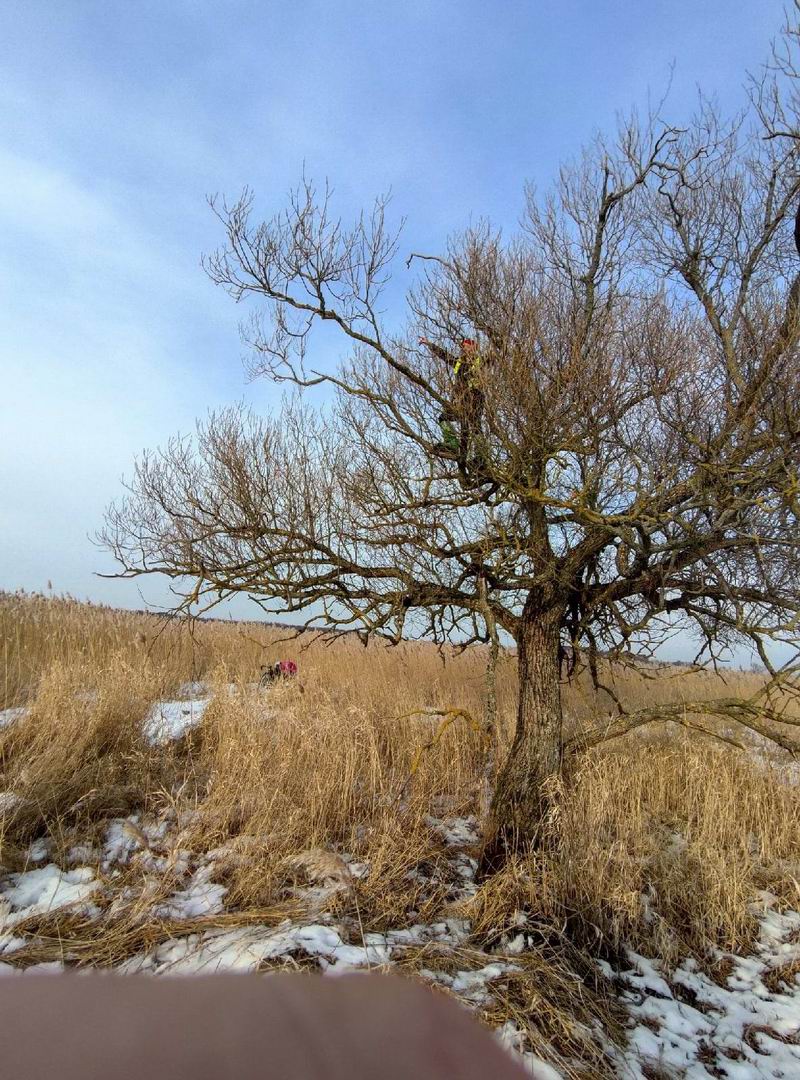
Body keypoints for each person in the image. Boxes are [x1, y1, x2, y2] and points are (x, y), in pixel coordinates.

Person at [420, 337, 489, 478]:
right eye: (463, 347)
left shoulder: (478, 361)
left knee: (475, 425)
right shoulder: (458, 362)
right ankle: (452, 444)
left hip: (475, 397)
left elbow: (491, 359)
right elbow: (444, 355)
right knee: (444, 417)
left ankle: (481, 457)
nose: (464, 349)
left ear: (473, 348)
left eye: (467, 347)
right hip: (461, 401)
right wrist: (429, 344)